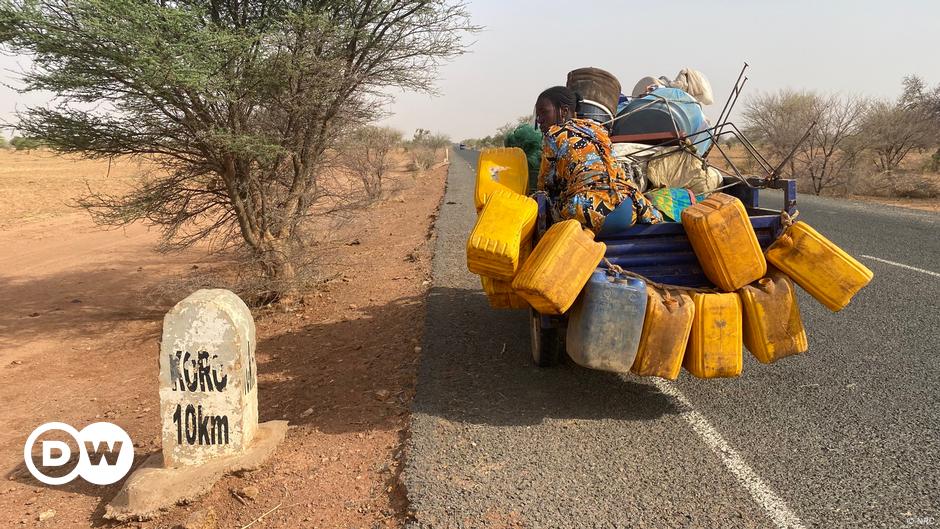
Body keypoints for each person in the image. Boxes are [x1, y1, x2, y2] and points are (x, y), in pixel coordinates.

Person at [534, 86, 661, 234]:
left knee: (542, 203)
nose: (539, 120)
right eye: (538, 115)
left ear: (563, 111)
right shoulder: (597, 130)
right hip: (628, 208)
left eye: (544, 112)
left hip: (590, 211)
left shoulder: (554, 134)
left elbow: (545, 186)